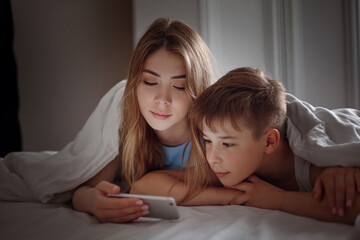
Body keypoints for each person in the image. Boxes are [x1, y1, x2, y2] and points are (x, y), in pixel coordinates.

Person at [71, 17, 243, 223]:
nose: (162, 100)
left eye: (179, 87)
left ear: (197, 89)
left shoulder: (214, 131)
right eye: (150, 82)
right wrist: (93, 201)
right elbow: (81, 192)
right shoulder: (124, 118)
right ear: (135, 82)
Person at [184, 67, 360, 225]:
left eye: (227, 143)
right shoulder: (235, 166)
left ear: (269, 141)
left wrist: (278, 199)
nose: (212, 158)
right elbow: (157, 181)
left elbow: (353, 208)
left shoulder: (318, 162)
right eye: (207, 140)